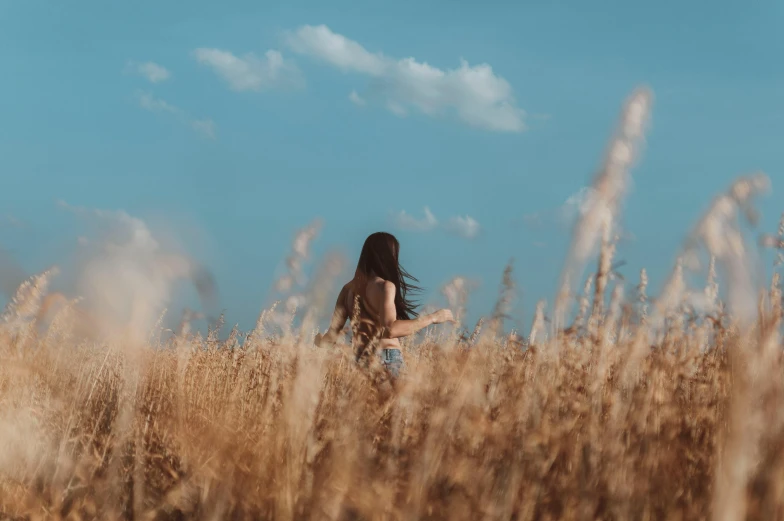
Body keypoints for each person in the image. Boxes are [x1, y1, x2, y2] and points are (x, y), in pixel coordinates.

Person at [315, 232, 454, 378]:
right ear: (389, 256)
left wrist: (319, 341)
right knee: (399, 401)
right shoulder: (385, 287)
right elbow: (390, 329)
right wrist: (433, 317)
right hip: (387, 358)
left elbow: (330, 337)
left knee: (372, 402)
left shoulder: (347, 290)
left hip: (360, 361)